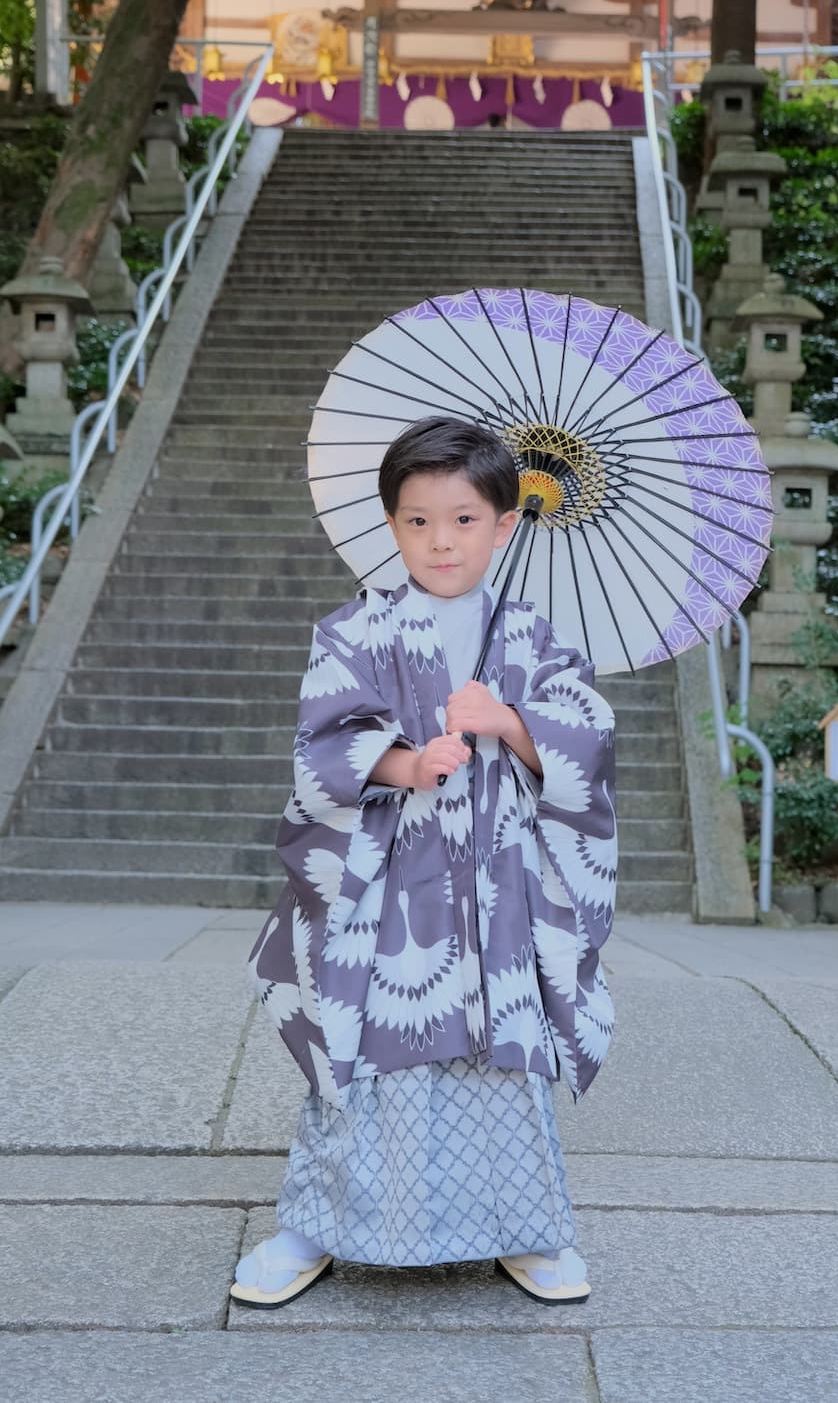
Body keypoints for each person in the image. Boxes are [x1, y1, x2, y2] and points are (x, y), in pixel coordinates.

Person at [230, 416, 617, 1311]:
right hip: (388, 884)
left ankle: (528, 1226)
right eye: (417, 521)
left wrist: (509, 723)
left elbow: (589, 741)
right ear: (391, 524)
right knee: (367, 1040)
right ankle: (319, 1221)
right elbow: (322, 747)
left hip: (502, 885)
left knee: (500, 1048)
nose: (441, 541)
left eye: (465, 519)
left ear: (507, 524)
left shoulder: (532, 639)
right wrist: (406, 764)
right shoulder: (356, 631)